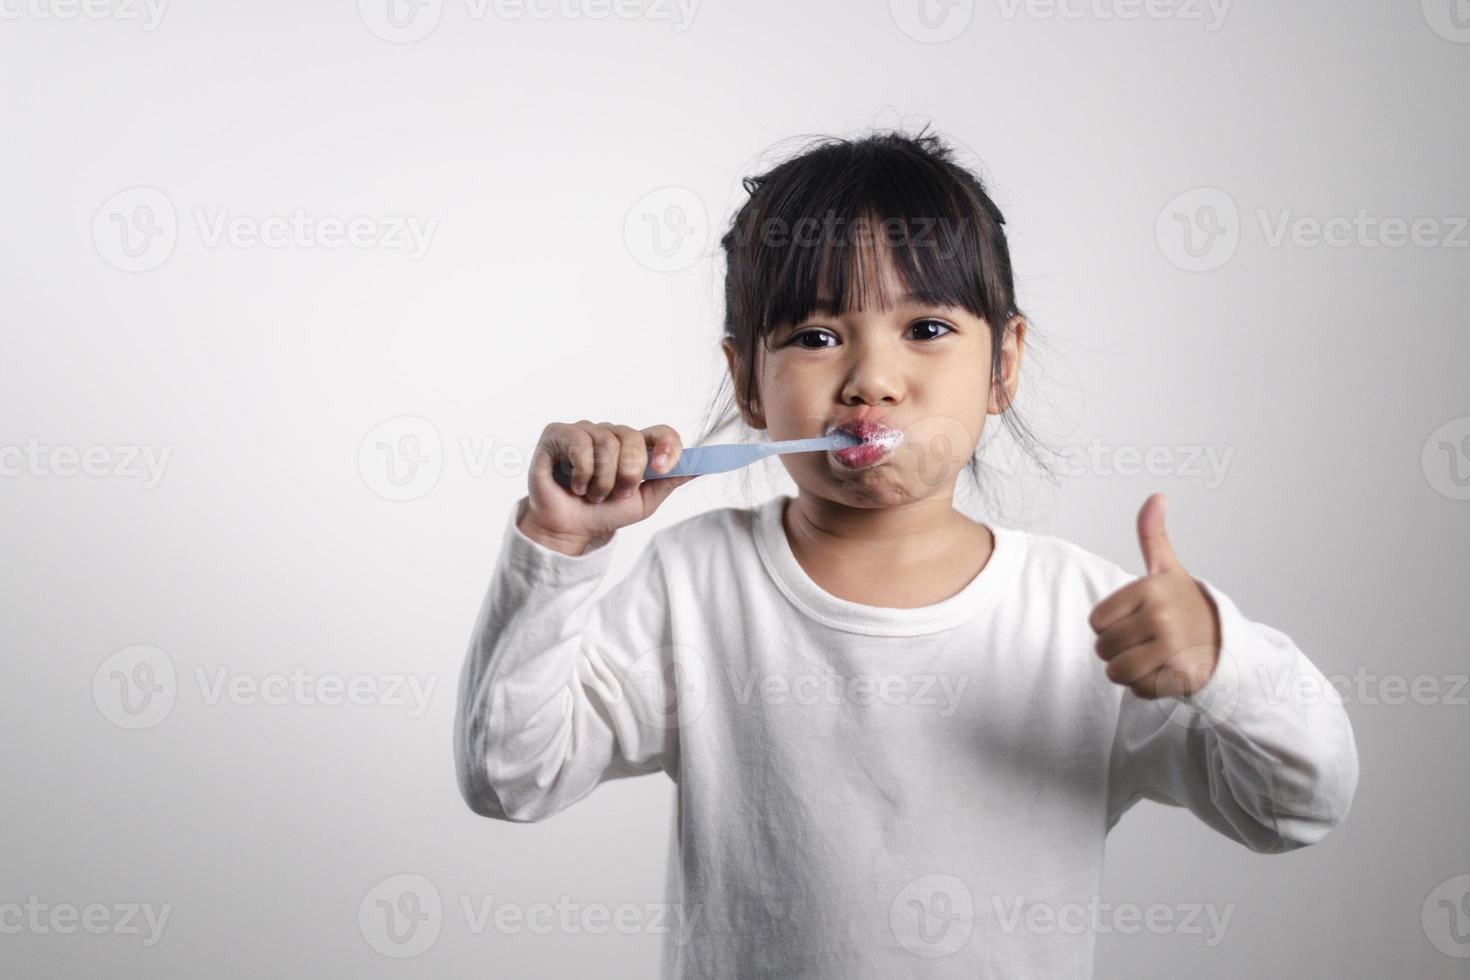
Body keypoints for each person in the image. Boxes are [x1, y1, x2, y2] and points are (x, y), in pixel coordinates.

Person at [453, 127, 1359, 978]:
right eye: (815, 337)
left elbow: (1296, 806)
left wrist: (1222, 661)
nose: (871, 382)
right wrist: (559, 548)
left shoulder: (1086, 618)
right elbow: (511, 776)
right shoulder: (696, 583)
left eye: (927, 328)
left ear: (1004, 365)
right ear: (746, 383)